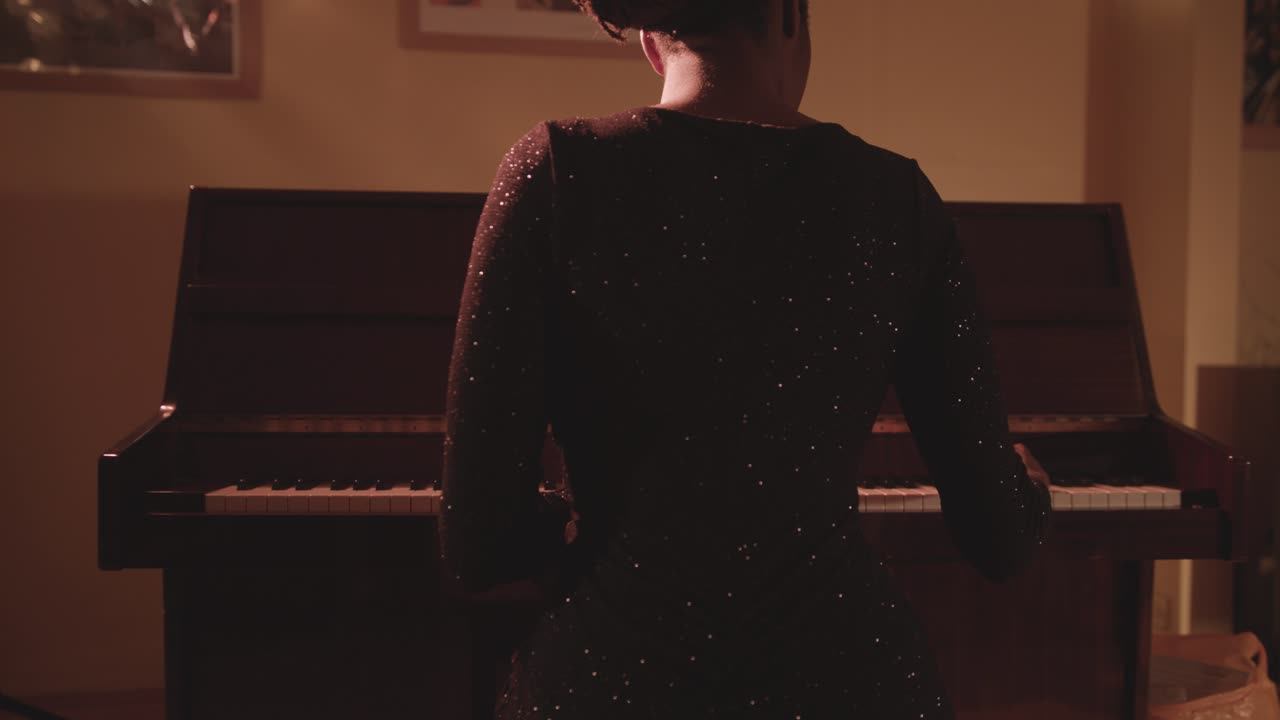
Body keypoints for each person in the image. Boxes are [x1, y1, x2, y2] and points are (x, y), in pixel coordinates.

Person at [439, 0, 1053, 717]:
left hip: (611, 678)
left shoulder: (555, 170)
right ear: (790, 16)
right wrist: (1030, 486)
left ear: (651, 39)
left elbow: (478, 543)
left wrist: (577, 526)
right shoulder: (896, 198)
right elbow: (999, 539)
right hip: (845, 682)